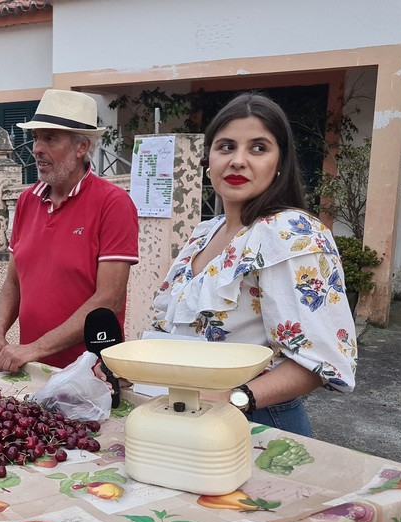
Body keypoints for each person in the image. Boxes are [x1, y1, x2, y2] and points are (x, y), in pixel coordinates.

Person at [150, 92, 357, 437]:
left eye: (258, 148)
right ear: (209, 159)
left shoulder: (291, 233)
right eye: (226, 147)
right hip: (185, 416)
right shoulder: (204, 233)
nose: (238, 160)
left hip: (254, 421)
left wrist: (235, 398)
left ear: (280, 162)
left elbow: (323, 360)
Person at [0, 89, 140, 372]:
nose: (37, 148)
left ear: (81, 147)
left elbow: (108, 300)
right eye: (36, 137)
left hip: (90, 373)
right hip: (34, 370)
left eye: (50, 138)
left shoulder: (113, 203)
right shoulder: (28, 201)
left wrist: (33, 348)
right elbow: (14, 282)